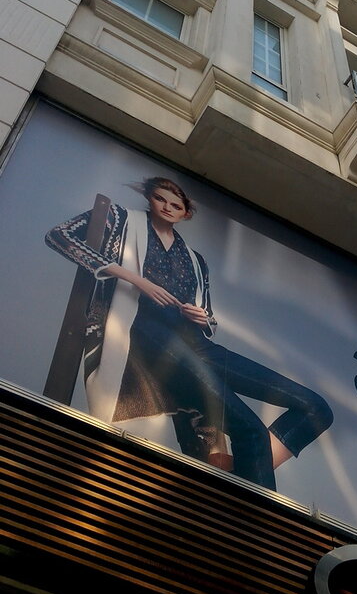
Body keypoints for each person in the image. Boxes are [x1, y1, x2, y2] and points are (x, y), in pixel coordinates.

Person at [45, 176, 333, 490]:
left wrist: (201, 316)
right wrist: (135, 279)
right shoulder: (120, 219)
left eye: (176, 205)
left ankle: (244, 470)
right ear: (150, 199)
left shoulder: (196, 260)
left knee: (315, 408)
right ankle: (257, 509)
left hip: (195, 344)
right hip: (144, 334)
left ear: (186, 213)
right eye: (160, 199)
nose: (167, 207)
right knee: (250, 429)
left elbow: (208, 321)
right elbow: (59, 236)